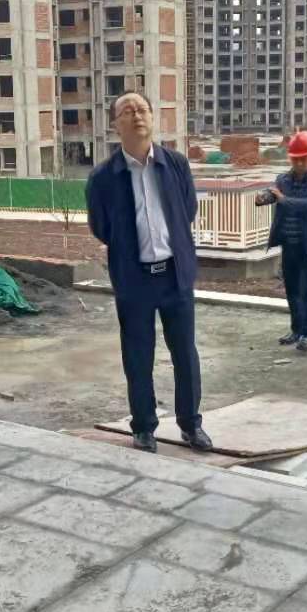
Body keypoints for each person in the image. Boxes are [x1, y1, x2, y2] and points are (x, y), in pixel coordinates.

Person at [86, 92, 212, 453]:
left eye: (142, 109)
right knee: (138, 355)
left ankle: (191, 424)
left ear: (153, 118)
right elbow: (101, 227)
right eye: (127, 111)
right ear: (116, 124)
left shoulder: (175, 164)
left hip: (175, 274)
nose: (137, 115)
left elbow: (187, 210)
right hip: (134, 279)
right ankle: (143, 427)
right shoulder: (103, 177)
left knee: (185, 352)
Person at [256, 129, 307, 353]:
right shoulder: (283, 179)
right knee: (292, 290)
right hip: (289, 245)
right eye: (295, 159)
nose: (299, 163)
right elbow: (274, 193)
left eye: (304, 158)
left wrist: (283, 200)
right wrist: (265, 197)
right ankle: (296, 329)